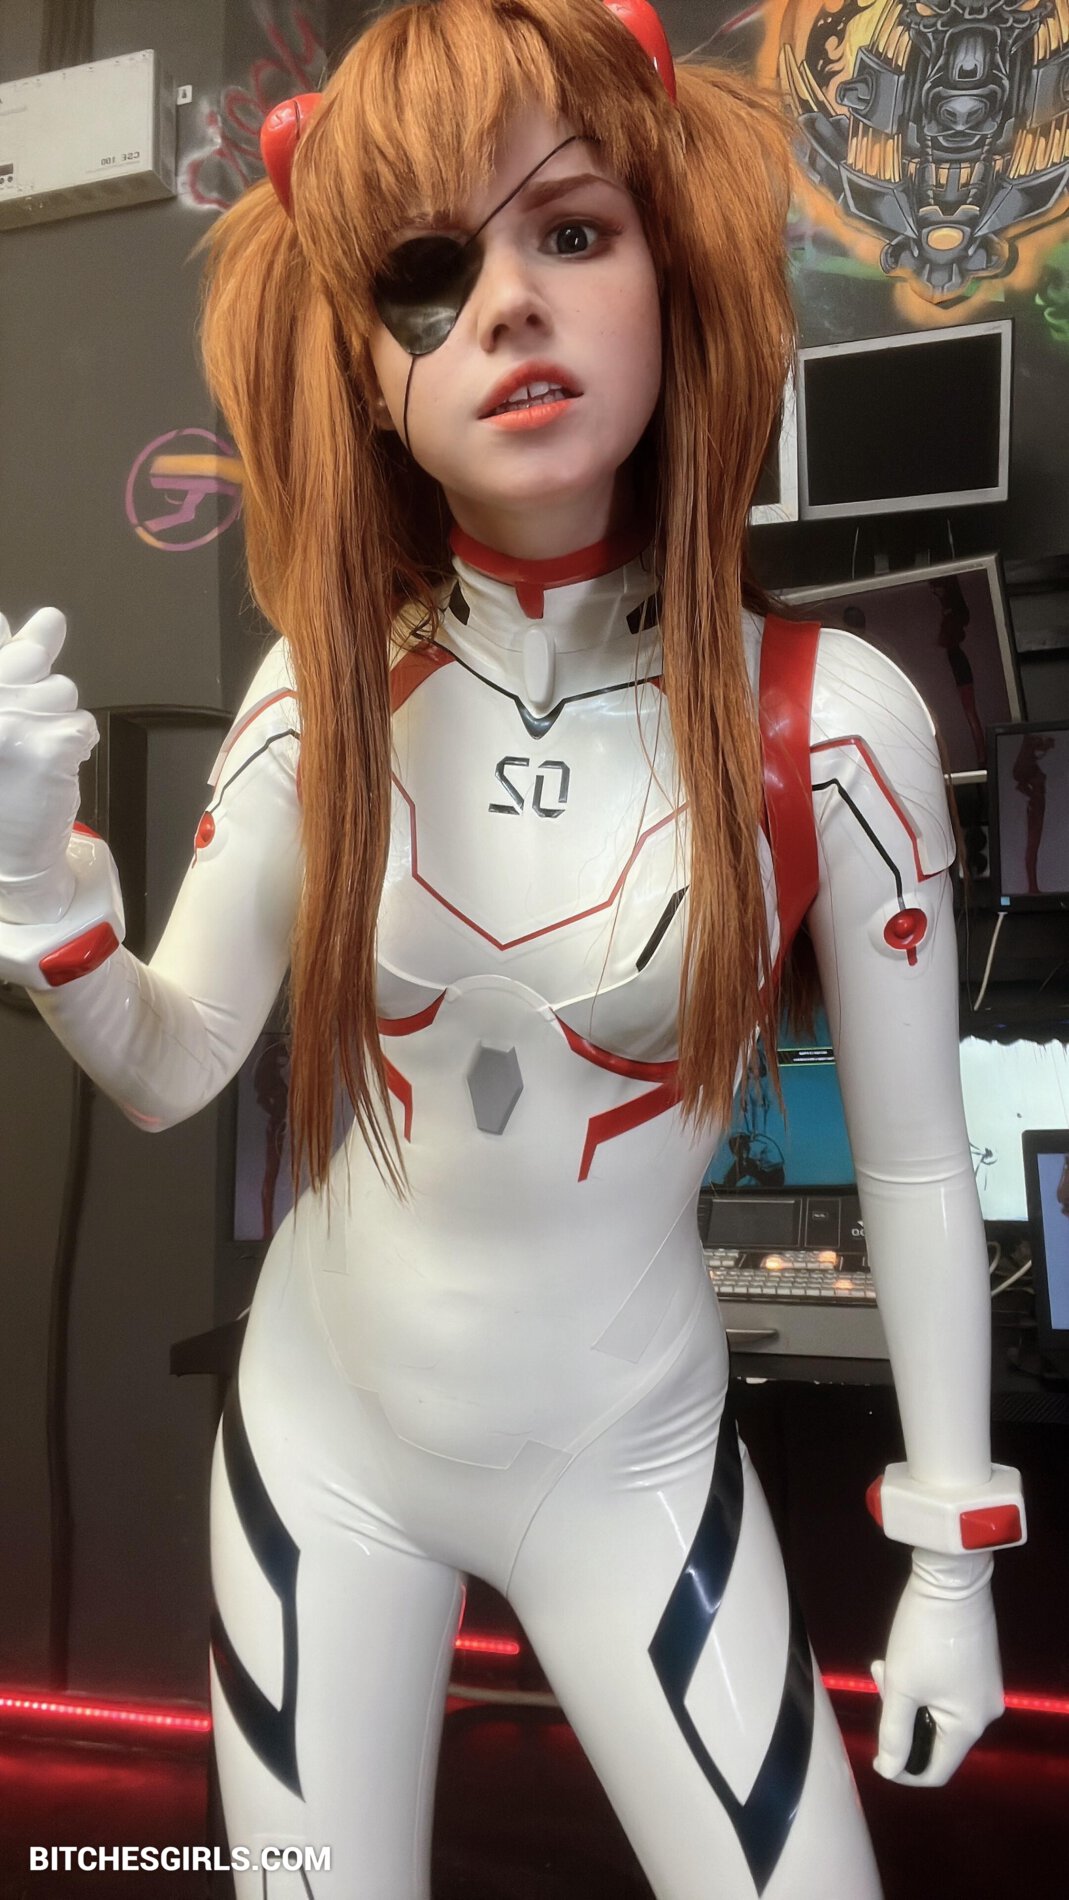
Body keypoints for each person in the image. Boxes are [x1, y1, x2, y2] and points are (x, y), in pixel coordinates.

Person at [0, 0, 1025, 1892]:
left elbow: (914, 1166)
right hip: (322, 1431)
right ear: (357, 363)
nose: (507, 307)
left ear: (676, 269)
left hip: (628, 1456)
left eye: (570, 228)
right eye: (425, 271)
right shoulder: (321, 691)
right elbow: (169, 1067)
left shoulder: (827, 721)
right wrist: (36, 893)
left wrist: (950, 1549)